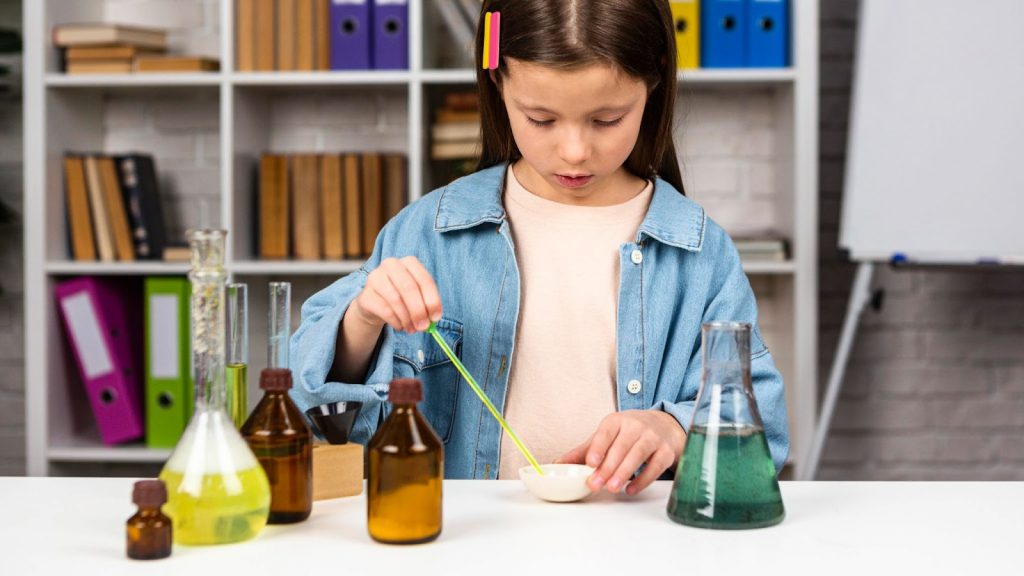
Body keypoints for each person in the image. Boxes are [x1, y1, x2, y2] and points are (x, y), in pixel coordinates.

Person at [290, 0, 788, 496]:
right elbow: (311, 409)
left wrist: (675, 429)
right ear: (497, 82)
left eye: (607, 119)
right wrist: (362, 319)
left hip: (637, 543)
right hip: (469, 544)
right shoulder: (428, 233)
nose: (574, 151)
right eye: (541, 119)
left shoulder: (700, 252)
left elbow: (763, 426)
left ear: (654, 82)